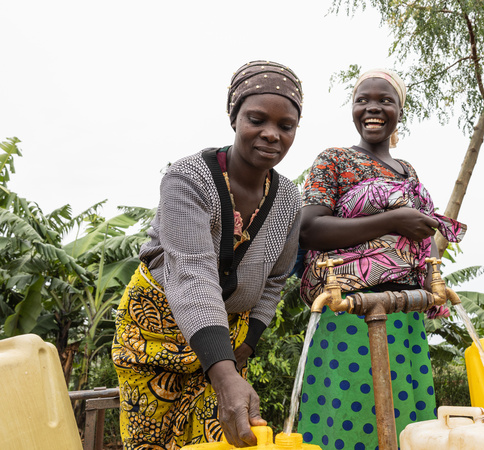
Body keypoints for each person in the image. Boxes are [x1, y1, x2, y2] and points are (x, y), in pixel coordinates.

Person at [111, 60, 303, 449]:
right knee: (152, 441)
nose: (271, 134)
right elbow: (191, 272)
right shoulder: (188, 179)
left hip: (227, 343)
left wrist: (243, 347)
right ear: (234, 117)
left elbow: (276, 281)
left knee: (224, 439)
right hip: (156, 333)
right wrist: (225, 371)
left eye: (286, 126)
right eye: (256, 119)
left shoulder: (288, 201)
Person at [296, 68, 465, 450]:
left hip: (405, 313)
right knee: (348, 420)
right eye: (363, 100)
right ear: (352, 109)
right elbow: (310, 229)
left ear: (399, 111)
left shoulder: (408, 171)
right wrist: (392, 220)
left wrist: (431, 277)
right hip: (350, 308)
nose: (372, 108)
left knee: (407, 423)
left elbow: (423, 235)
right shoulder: (334, 160)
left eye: (384, 100)